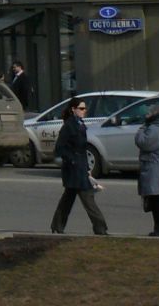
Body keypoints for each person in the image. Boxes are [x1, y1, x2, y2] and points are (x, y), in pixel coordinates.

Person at [49, 99, 106, 235]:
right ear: (73, 109)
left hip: (80, 168)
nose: (84, 111)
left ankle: (57, 226)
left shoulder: (80, 124)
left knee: (68, 199)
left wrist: (87, 168)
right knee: (87, 198)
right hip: (73, 169)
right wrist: (72, 161)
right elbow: (59, 149)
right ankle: (100, 228)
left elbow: (83, 149)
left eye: (84, 108)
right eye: (81, 108)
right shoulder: (69, 126)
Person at [136, 105, 159, 237]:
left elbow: (143, 142)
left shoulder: (153, 129)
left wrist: (141, 129)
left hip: (155, 169)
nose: (145, 116)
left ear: (153, 115)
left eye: (147, 114)